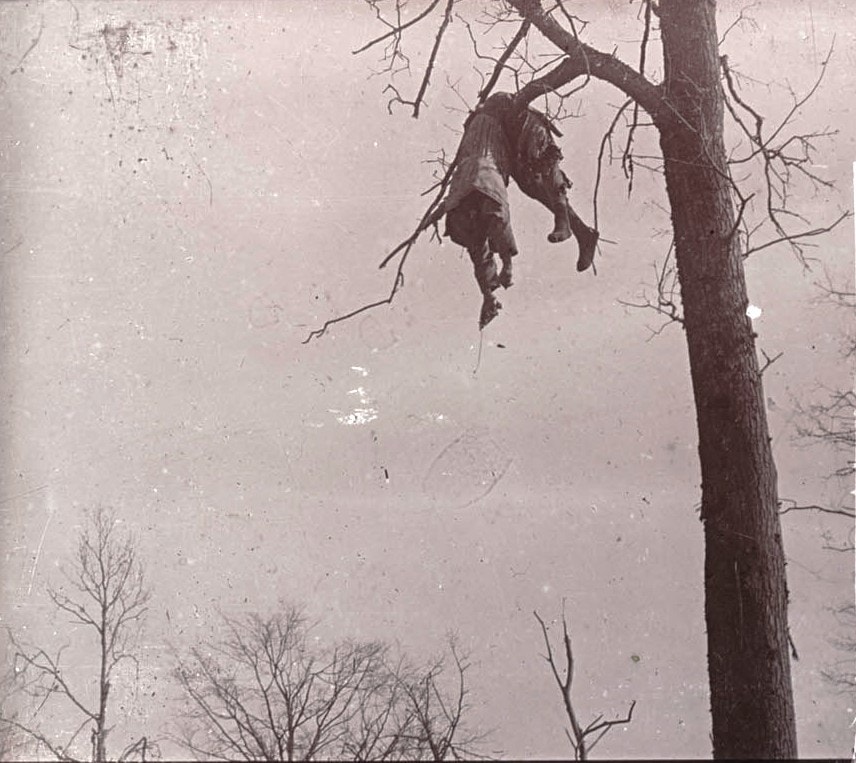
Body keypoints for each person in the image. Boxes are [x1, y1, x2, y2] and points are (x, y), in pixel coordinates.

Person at [427, 92, 519, 329]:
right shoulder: (491, 124)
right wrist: (507, 264)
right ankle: (501, 276)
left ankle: (490, 294)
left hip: (463, 187)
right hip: (484, 176)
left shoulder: (477, 126)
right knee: (494, 219)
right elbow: (500, 222)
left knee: (477, 244)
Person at [506, 102, 599, 272]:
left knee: (546, 167)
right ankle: (583, 232)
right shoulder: (480, 131)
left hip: (528, 124)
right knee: (530, 185)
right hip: (512, 140)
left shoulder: (484, 121)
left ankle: (564, 222)